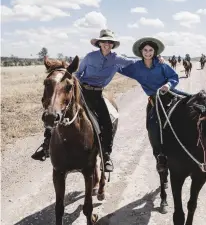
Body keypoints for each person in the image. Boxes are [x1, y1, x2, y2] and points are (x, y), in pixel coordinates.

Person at [32, 29, 164, 173]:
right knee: (57, 111)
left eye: (109, 42)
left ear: (112, 45)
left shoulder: (117, 59)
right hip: (82, 91)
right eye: (104, 42)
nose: (107, 44)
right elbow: (78, 74)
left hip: (97, 94)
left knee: (107, 122)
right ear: (99, 43)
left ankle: (106, 155)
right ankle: (46, 145)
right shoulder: (89, 57)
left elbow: (136, 63)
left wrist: (156, 59)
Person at [118, 37, 180, 173]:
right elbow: (119, 68)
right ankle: (159, 157)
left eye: (150, 50)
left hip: (169, 95)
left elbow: (174, 77)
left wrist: (168, 85)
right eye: (145, 50)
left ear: (155, 51)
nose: (148, 53)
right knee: (152, 128)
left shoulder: (161, 64)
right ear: (141, 52)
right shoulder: (135, 67)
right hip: (154, 101)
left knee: (194, 104)